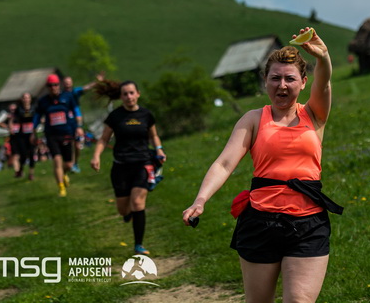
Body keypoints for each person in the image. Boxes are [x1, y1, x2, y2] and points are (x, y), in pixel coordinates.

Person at [182, 28, 343, 303]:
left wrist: (323, 55)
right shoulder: (254, 119)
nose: (282, 85)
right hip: (261, 221)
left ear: (303, 82)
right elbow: (224, 163)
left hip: (309, 223)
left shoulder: (314, 114)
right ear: (265, 81)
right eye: (275, 78)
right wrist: (201, 199)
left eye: (290, 78)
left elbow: (324, 82)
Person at [90, 80, 166, 255]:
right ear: (121, 97)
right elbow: (103, 139)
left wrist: (159, 149)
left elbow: (154, 136)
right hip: (121, 167)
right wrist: (96, 156)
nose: (129, 96)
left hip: (143, 164)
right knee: (123, 209)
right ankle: (128, 213)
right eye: (125, 94)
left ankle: (139, 245)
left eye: (132, 93)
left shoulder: (146, 115)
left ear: (138, 94)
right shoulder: (115, 116)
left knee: (138, 203)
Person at [32, 74, 83, 197]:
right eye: (50, 85)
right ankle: (61, 188)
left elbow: (76, 110)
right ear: (47, 87)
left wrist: (79, 126)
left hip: (66, 133)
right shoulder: (43, 101)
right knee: (57, 160)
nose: (53, 87)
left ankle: (63, 174)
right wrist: (33, 132)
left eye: (55, 85)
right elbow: (37, 117)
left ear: (58, 85)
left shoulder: (67, 97)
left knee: (68, 164)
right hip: (51, 135)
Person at [62, 73, 104, 173]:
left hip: (76, 122)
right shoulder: (60, 95)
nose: (68, 84)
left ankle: (75, 163)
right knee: (68, 145)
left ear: (72, 83)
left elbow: (86, 88)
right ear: (63, 84)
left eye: (69, 82)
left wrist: (97, 82)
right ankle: (68, 164)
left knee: (77, 145)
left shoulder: (75, 92)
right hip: (65, 123)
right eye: (66, 82)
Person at [12, 92, 36, 180]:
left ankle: (31, 173)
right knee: (23, 155)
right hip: (22, 135)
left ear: (30, 99)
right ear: (22, 99)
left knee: (32, 153)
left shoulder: (34, 108)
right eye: (25, 98)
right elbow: (13, 119)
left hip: (32, 134)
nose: (26, 99)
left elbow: (37, 119)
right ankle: (20, 169)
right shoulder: (19, 109)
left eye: (28, 97)